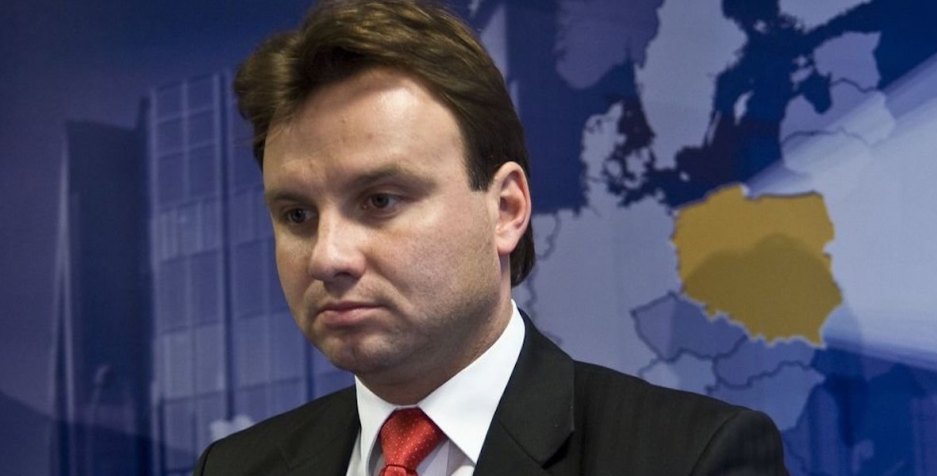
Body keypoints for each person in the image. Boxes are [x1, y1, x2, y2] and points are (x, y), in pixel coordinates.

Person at [193, 0, 789, 474]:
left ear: (506, 210)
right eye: (298, 215)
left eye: (380, 201)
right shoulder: (235, 467)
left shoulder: (691, 457)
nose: (328, 257)